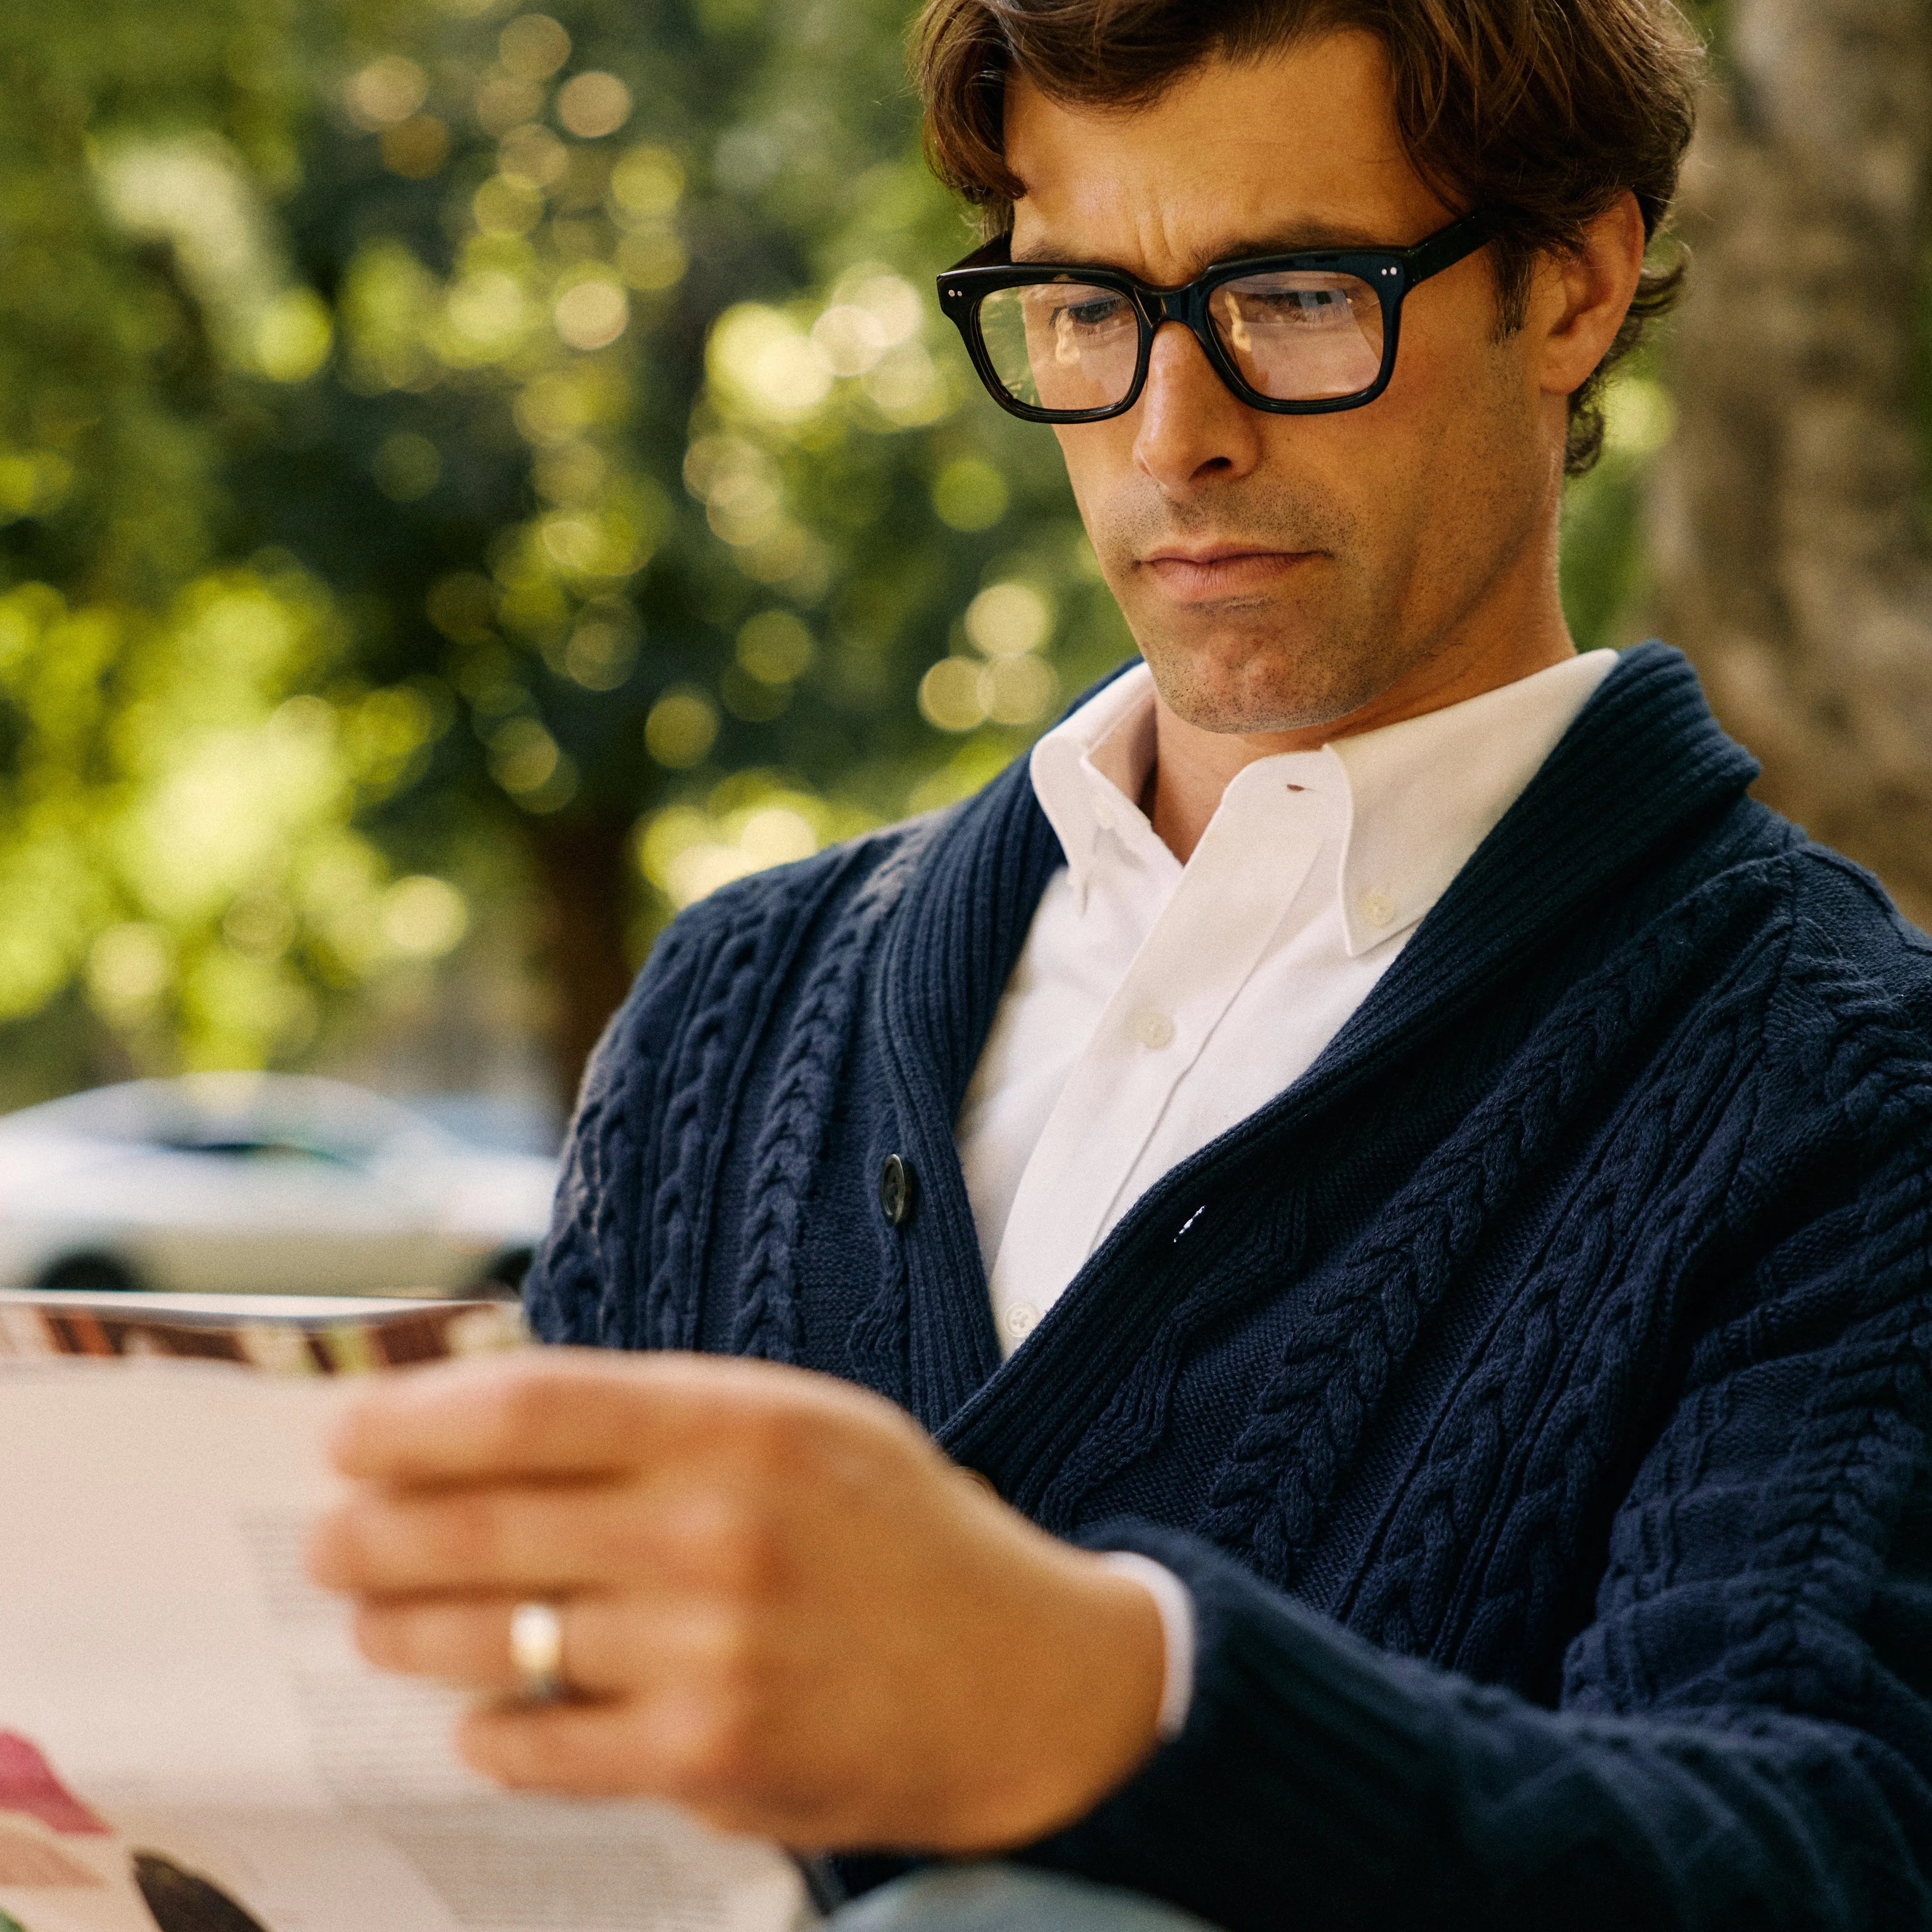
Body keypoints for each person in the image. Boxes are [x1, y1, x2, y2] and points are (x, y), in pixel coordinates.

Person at [309, 3, 1932, 1928]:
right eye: (1084, 305)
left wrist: (1110, 1699)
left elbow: (1808, 1853)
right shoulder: (729, 1008)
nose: (1176, 433)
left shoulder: (1841, 1081)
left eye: (1295, 297)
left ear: (1568, 286)